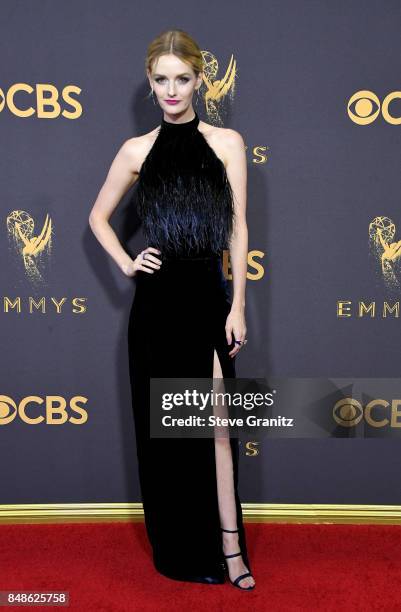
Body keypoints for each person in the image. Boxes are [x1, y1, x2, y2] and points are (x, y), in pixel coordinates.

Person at [88, 29, 255, 590]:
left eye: (181, 79)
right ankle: (181, 551)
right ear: (151, 83)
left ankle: (231, 550)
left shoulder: (227, 142)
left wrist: (237, 306)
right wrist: (128, 262)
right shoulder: (135, 150)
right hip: (157, 306)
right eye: (161, 80)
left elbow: (238, 228)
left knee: (215, 427)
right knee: (167, 434)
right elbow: (96, 219)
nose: (171, 90)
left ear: (200, 80)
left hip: (207, 296)